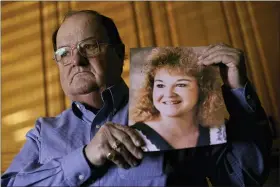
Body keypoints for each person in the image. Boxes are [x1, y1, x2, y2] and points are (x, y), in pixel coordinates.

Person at [1, 10, 272, 187]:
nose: (77, 60)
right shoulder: (42, 132)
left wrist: (238, 92)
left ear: (120, 55)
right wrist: (85, 157)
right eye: (64, 52)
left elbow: (243, 176)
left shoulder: (172, 106)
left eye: (90, 46)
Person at [130, 47, 227, 151]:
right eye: (161, 85)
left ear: (203, 89)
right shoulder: (133, 138)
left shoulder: (218, 132)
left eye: (181, 84)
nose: (168, 94)